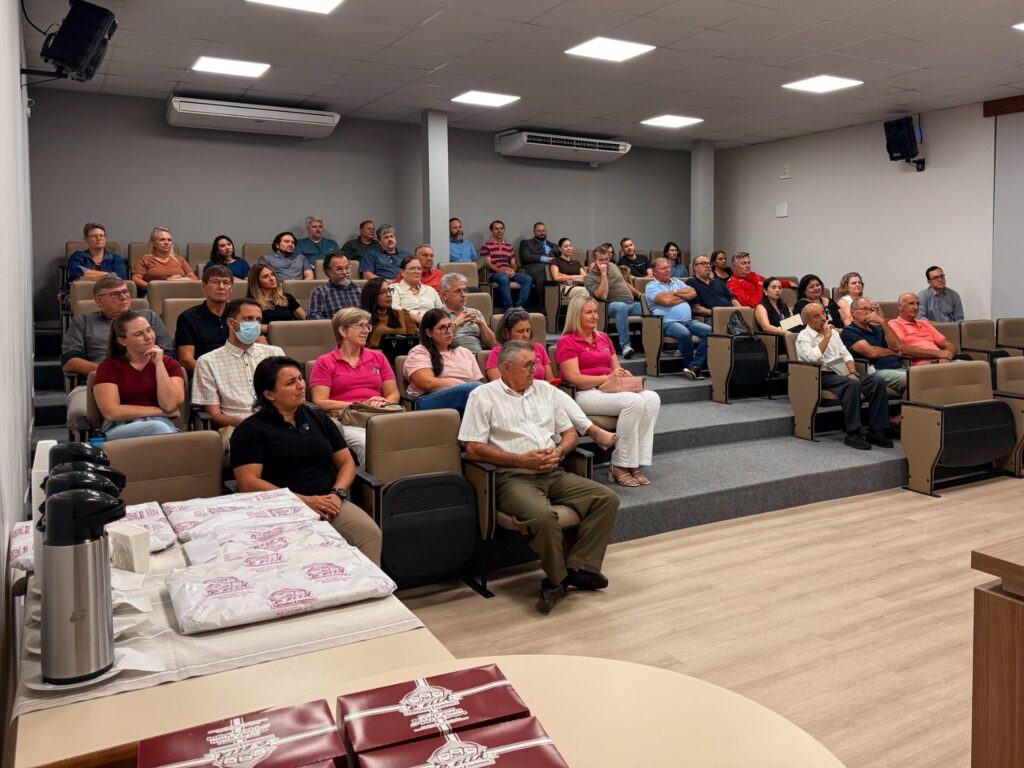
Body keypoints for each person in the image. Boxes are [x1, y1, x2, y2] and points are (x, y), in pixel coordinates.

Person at [460, 340, 620, 614]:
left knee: (606, 498)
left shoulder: (545, 390)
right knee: (543, 516)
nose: (535, 369)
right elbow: (472, 448)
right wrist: (521, 460)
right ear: (506, 367)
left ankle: (580, 567)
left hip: (553, 472)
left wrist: (560, 451)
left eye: (535, 363)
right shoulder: (483, 396)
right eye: (528, 365)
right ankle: (558, 579)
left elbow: (569, 433)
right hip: (513, 477)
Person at [231, 356, 382, 564]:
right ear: (269, 394)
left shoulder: (317, 418)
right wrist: (303, 500)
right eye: (290, 382)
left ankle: (369, 585)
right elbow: (248, 483)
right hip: (280, 508)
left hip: (329, 502)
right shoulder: (250, 430)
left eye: (300, 378)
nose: (301, 385)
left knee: (369, 534)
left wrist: (337, 493)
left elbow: (346, 462)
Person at [556, 295, 661, 488]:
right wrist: (607, 378)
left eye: (596, 311)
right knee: (634, 401)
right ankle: (620, 463)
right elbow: (573, 378)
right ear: (576, 316)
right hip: (584, 393)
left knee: (652, 398)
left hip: (609, 390)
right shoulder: (567, 341)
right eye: (589, 312)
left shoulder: (603, 338)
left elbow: (616, 369)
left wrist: (622, 374)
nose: (595, 316)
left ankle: (635, 461)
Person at [484, 309, 618, 451]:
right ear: (506, 333)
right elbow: (498, 384)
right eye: (520, 331)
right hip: (514, 399)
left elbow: (550, 379)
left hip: (541, 396)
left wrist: (548, 385)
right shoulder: (498, 352)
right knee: (546, 390)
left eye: (528, 330)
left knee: (549, 390)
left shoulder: (538, 349)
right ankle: (591, 431)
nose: (525, 335)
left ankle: (561, 448)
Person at [62, 276, 174, 436]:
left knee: (172, 404)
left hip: (149, 378)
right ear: (99, 301)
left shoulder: (147, 317)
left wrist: (135, 373)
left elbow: (167, 352)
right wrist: (111, 373)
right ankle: (92, 446)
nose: (123, 297)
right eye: (115, 294)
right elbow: (69, 362)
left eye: (125, 292)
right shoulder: (84, 321)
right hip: (96, 382)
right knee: (79, 413)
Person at [795, 303, 893, 451]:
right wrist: (826, 338)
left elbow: (846, 354)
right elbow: (812, 359)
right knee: (852, 384)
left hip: (843, 372)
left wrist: (852, 372)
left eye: (823, 313)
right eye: (817, 316)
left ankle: (877, 431)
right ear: (807, 321)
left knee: (877, 381)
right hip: (820, 375)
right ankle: (853, 433)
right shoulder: (804, 336)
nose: (823, 318)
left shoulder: (834, 333)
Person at [192, 298, 285, 451]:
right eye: (248, 319)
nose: (254, 324)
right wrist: (254, 424)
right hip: (235, 427)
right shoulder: (208, 362)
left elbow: (287, 396)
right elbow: (214, 415)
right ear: (231, 322)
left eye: (258, 320)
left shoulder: (275, 353)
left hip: (278, 422)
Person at [310, 307, 400, 463]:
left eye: (367, 326)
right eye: (360, 326)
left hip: (379, 414)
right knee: (367, 442)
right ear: (343, 331)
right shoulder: (325, 362)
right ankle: (375, 479)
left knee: (408, 435)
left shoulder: (378, 357)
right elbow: (320, 401)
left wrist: (383, 402)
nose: (366, 331)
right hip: (345, 419)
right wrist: (360, 405)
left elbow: (394, 394)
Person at [93, 311, 187, 440]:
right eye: (139, 334)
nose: (148, 337)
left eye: (149, 330)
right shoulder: (109, 366)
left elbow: (169, 405)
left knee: (160, 429)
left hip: (162, 425)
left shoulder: (170, 364)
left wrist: (159, 364)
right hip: (120, 427)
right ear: (123, 341)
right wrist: (160, 412)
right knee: (158, 429)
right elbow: (111, 412)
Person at [403, 308, 483, 415]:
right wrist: (462, 387)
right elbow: (428, 383)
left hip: (465, 395)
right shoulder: (419, 352)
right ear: (428, 332)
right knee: (472, 389)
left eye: (450, 326)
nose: (449, 331)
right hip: (428, 399)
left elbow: (479, 385)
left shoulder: (465, 352)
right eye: (443, 328)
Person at [646, 257, 710, 381]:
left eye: (668, 267)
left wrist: (673, 294)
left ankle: (694, 366)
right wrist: (682, 295)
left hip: (688, 321)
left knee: (711, 331)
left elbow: (692, 293)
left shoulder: (677, 282)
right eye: (663, 268)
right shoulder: (651, 285)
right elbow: (664, 301)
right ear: (654, 272)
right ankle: (691, 365)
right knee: (684, 333)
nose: (667, 270)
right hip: (667, 323)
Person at [582, 244, 643, 359]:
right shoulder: (589, 278)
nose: (605, 263)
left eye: (606, 259)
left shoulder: (614, 266)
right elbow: (603, 295)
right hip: (609, 307)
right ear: (594, 261)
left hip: (631, 304)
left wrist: (640, 295)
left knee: (651, 305)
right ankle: (626, 346)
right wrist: (603, 274)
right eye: (601, 260)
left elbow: (624, 283)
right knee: (620, 306)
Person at [840, 297, 907, 394]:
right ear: (852, 312)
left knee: (924, 377)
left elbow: (897, 347)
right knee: (913, 379)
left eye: (871, 309)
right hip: (877, 370)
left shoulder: (878, 328)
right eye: (864, 309)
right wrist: (892, 352)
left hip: (897, 367)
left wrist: (883, 322)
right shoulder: (849, 331)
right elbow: (872, 352)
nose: (868, 312)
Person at [175, 265, 233, 375]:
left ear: (231, 288)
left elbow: (259, 344)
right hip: (204, 372)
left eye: (226, 283)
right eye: (215, 282)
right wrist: (215, 376)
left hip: (236, 370)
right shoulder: (188, 317)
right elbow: (186, 360)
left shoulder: (239, 314)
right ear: (203, 286)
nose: (221, 287)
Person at [61, 222, 128, 302]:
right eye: (94, 236)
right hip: (80, 293)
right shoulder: (77, 257)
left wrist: (86, 276)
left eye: (101, 235)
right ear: (86, 239)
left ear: (105, 238)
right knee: (71, 303)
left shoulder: (116, 259)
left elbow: (120, 278)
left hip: (110, 294)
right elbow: (76, 275)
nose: (98, 238)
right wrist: (110, 275)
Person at [889, 292, 958, 365]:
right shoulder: (895, 324)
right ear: (900, 306)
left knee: (964, 365)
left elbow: (949, 344)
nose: (916, 307)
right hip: (924, 365)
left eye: (918, 304)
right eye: (911, 303)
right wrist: (937, 353)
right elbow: (902, 349)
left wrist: (946, 357)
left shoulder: (924, 323)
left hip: (942, 361)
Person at [480, 219, 532, 309]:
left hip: (509, 272)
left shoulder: (509, 247)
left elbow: (513, 264)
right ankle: (509, 308)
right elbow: (488, 264)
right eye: (496, 229)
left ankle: (520, 307)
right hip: (495, 274)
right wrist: (501, 271)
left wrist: (513, 270)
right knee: (503, 278)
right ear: (492, 231)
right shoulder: (486, 246)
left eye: (501, 228)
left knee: (528, 278)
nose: (499, 231)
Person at [440, 272, 496, 354]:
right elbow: (439, 342)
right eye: (457, 291)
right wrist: (457, 322)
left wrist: (481, 324)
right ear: (445, 295)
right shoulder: (438, 315)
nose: (463, 295)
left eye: (464, 290)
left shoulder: (475, 313)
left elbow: (493, 344)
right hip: (452, 356)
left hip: (477, 357)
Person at [131, 226, 197, 292]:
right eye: (162, 240)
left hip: (180, 292)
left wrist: (180, 280)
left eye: (169, 240)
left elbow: (194, 278)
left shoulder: (179, 259)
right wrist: (155, 287)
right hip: (155, 293)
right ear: (153, 243)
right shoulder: (145, 259)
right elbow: (136, 279)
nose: (166, 243)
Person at [247, 263, 305, 335]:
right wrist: (280, 329)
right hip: (267, 338)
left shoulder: (287, 298)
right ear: (256, 282)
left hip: (292, 335)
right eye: (265, 277)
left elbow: (306, 319)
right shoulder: (250, 303)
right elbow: (251, 326)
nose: (272, 278)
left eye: (272, 274)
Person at [360, 277, 418, 348]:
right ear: (372, 296)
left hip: (404, 353)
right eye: (382, 292)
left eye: (389, 290)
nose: (389, 295)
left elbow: (415, 340)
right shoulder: (363, 319)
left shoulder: (402, 314)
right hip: (375, 353)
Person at [686, 253, 741, 322]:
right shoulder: (691, 282)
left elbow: (732, 299)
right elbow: (695, 308)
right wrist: (715, 313)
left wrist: (742, 310)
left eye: (709, 264)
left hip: (732, 315)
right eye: (703, 263)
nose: (708, 266)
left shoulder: (718, 281)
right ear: (695, 268)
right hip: (713, 317)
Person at [307, 252, 361, 320]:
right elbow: (314, 318)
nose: (344, 272)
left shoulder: (361, 290)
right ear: (327, 271)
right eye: (339, 269)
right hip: (333, 326)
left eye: (347, 267)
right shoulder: (319, 292)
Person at [728, 252, 793, 309]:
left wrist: (788, 283)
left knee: (794, 310)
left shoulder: (754, 275)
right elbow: (746, 301)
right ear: (734, 266)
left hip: (772, 307)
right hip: (759, 311)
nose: (748, 266)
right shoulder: (732, 283)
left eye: (749, 263)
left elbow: (770, 283)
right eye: (744, 263)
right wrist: (767, 307)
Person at [390, 253, 443, 323]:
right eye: (412, 268)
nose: (417, 272)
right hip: (407, 325)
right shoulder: (394, 288)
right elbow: (394, 308)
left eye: (419, 269)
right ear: (402, 272)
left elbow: (440, 310)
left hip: (431, 325)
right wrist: (413, 316)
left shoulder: (430, 290)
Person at [754, 276, 794, 353]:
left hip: (789, 336)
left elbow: (793, 322)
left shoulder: (784, 305)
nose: (777, 290)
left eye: (780, 288)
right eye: (773, 287)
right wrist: (785, 332)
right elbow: (766, 327)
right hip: (775, 340)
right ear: (765, 290)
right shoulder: (761, 307)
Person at [517, 222, 554, 304]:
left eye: (543, 230)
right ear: (534, 232)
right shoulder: (526, 243)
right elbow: (526, 257)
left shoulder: (553, 245)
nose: (542, 233)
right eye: (539, 231)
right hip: (535, 269)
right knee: (543, 277)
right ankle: (543, 306)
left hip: (552, 268)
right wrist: (546, 259)